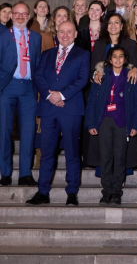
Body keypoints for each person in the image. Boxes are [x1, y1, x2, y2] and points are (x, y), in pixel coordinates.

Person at [27, 20, 90, 206]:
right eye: (62, 31)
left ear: (75, 34)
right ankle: (43, 191)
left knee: (71, 151)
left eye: (69, 32)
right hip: (48, 108)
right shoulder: (47, 54)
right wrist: (49, 95)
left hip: (70, 108)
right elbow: (37, 76)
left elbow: (82, 79)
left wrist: (62, 95)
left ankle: (71, 192)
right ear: (57, 34)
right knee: (46, 152)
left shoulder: (83, 54)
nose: (65, 35)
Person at [85, 46, 137, 204]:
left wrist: (135, 125)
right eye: (114, 56)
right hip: (105, 121)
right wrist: (91, 122)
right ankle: (106, 190)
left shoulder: (131, 77)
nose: (118, 59)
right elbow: (92, 101)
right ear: (109, 60)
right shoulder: (101, 76)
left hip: (123, 121)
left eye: (121, 56)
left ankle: (117, 190)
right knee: (105, 155)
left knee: (120, 156)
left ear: (125, 60)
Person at [0, 2, 41, 186]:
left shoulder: (36, 38)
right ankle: (6, 173)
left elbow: (37, 64)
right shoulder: (2, 36)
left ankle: (25, 173)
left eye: (24, 14)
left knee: (28, 132)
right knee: (4, 131)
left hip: (28, 89)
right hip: (7, 87)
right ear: (11, 16)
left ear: (29, 17)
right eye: (16, 13)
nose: (20, 16)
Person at [90, 14, 137, 82]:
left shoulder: (131, 44)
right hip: (103, 83)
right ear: (106, 27)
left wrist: (135, 69)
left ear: (121, 26)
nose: (113, 25)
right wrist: (95, 74)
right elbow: (92, 68)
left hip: (125, 83)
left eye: (116, 22)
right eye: (110, 23)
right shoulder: (99, 44)